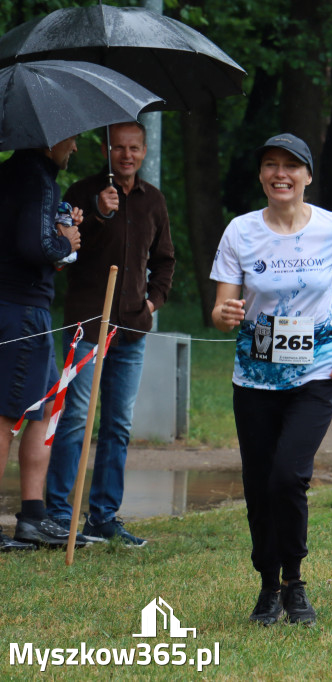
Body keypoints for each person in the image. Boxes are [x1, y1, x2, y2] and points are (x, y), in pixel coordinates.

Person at [210, 133, 332, 626]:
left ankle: (294, 582)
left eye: (291, 167)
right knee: (259, 484)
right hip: (254, 376)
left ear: (307, 176)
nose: (281, 174)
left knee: (288, 476)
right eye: (271, 165)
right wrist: (225, 313)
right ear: (261, 176)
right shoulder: (240, 232)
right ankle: (266, 585)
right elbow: (219, 309)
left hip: (316, 372)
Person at [45, 121, 175, 547]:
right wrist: (100, 215)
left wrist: (151, 304)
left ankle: (103, 517)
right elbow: (65, 253)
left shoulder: (153, 200)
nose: (127, 155)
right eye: (119, 148)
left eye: (134, 148)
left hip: (130, 331)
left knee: (117, 424)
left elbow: (165, 261)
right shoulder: (81, 194)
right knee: (76, 421)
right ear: (106, 150)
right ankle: (59, 515)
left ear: (143, 151)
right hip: (85, 325)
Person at [0, 137, 84, 550]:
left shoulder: (13, 173)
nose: (75, 146)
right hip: (20, 309)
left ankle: (34, 517)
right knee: (4, 415)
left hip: (20, 306)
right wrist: (66, 242)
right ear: (49, 138)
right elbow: (35, 246)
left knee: (45, 406)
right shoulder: (37, 178)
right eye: (71, 138)